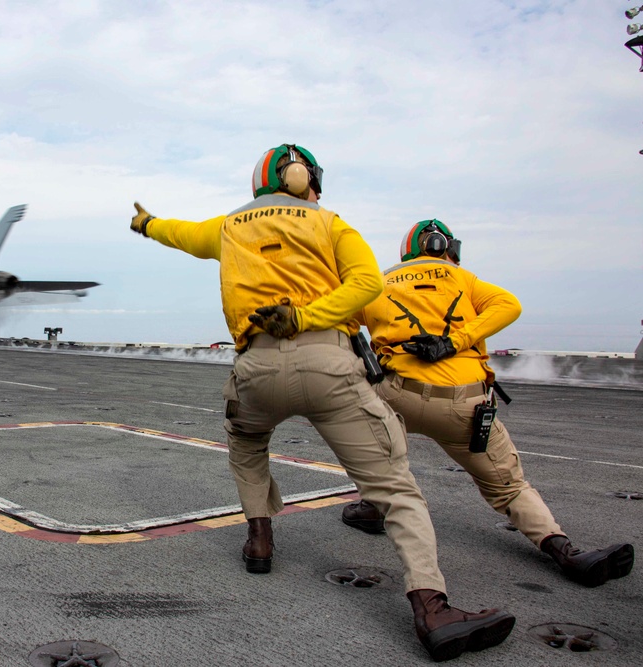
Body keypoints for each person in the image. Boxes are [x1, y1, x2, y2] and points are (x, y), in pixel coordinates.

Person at [130, 145, 515, 662]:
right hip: (328, 365)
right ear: (299, 177)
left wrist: (147, 222)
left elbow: (180, 233)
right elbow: (366, 285)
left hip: (255, 368)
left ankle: (260, 540)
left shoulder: (227, 226)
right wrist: (307, 317)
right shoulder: (331, 223)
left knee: (246, 445)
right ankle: (431, 606)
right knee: (396, 489)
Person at [342, 219, 635, 588]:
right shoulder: (461, 278)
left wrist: (370, 363)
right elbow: (508, 305)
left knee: (368, 441)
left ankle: (373, 506)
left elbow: (345, 324)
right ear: (441, 246)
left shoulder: (380, 281)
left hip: (399, 392)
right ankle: (565, 551)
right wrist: (455, 341)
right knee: (509, 487)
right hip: (464, 403)